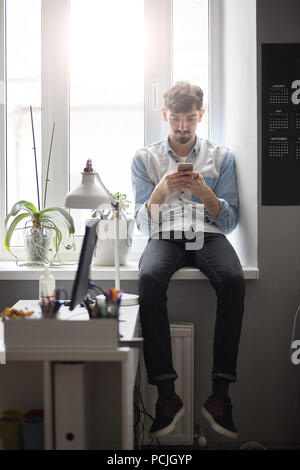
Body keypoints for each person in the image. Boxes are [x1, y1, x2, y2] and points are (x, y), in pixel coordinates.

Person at [131, 81, 245, 441]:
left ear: (201, 116)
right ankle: (166, 395)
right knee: (148, 278)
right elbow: (140, 223)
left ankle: (220, 396)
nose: (183, 127)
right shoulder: (144, 159)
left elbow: (229, 221)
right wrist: (161, 191)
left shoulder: (221, 157)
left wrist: (205, 192)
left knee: (232, 279)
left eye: (191, 119)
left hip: (207, 233)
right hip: (164, 233)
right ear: (165, 115)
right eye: (176, 119)